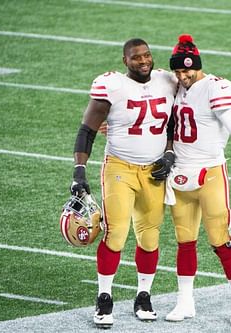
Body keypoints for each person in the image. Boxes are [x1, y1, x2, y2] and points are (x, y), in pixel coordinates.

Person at [70, 38, 177, 328]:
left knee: (150, 236)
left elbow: (175, 121)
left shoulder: (168, 81)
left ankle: (144, 295)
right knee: (116, 233)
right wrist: (79, 170)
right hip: (120, 167)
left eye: (146, 56)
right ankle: (104, 297)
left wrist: (169, 153)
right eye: (135, 58)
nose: (143, 61)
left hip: (154, 169)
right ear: (124, 61)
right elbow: (87, 130)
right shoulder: (112, 85)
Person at [163, 34, 231, 326]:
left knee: (220, 239)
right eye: (178, 71)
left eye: (187, 70)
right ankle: (185, 302)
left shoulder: (215, 88)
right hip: (179, 174)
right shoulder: (175, 88)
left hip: (210, 173)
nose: (183, 75)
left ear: (198, 66)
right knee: (184, 241)